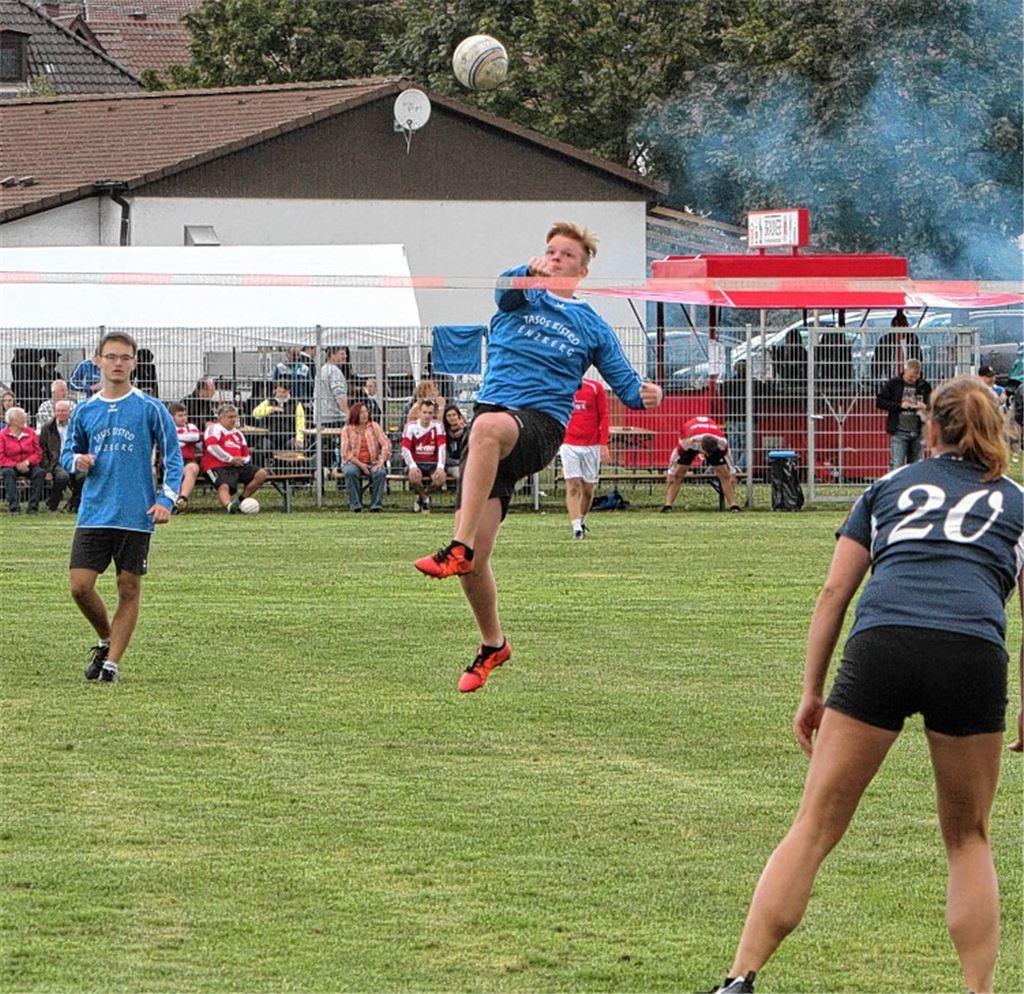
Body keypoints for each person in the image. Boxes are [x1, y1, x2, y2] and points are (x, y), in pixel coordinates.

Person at [702, 375, 1024, 994]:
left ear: (928, 430)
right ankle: (979, 991)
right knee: (968, 837)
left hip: (884, 642)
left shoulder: (884, 489)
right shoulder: (1015, 501)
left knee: (815, 824)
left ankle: (739, 978)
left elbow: (833, 594)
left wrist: (811, 690)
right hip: (972, 651)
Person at [413, 221, 662, 692]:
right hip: (492, 428)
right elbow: (505, 290)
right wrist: (528, 270)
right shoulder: (521, 293)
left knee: (484, 431)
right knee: (477, 561)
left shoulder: (592, 325)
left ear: (583, 270)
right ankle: (493, 645)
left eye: (566, 255)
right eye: (550, 251)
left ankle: (456, 545)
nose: (555, 259)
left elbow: (627, 387)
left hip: (538, 425)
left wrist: (647, 394)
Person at [61, 332, 183, 685]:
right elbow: (68, 454)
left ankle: (112, 665)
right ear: (98, 360)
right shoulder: (85, 409)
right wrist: (77, 461)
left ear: (133, 362)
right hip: (95, 512)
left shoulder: (150, 408)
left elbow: (174, 459)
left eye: (125, 357)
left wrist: (166, 499)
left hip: (136, 513)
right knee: (80, 586)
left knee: (128, 587)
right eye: (111, 356)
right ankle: (105, 638)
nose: (118, 363)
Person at [558, 376, 609, 540]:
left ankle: (581, 519)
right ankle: (576, 528)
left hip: (591, 445)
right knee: (573, 485)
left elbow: (604, 416)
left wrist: (603, 443)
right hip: (568, 443)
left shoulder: (595, 388)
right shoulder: (561, 386)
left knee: (588, 490)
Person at [661, 415, 740, 513]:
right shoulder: (689, 442)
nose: (706, 456)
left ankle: (734, 505)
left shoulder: (721, 442)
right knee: (678, 474)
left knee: (724, 474)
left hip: (708, 436)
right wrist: (670, 473)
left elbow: (728, 455)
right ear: (701, 448)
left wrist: (732, 473)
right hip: (691, 435)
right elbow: (675, 455)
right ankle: (667, 505)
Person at [201, 404, 269, 513]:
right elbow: (212, 447)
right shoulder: (214, 429)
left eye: (235, 417)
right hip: (216, 466)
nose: (234, 420)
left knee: (261, 474)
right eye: (230, 417)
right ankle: (229, 507)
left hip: (237, 465)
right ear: (221, 418)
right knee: (224, 485)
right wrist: (230, 459)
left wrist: (242, 460)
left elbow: (246, 454)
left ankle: (239, 501)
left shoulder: (238, 434)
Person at [876, 358, 932, 469]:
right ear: (905, 370)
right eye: (911, 377)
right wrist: (899, 405)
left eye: (916, 377)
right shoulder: (893, 384)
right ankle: (895, 486)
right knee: (897, 464)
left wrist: (926, 407)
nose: (913, 379)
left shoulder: (924, 386)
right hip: (899, 431)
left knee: (917, 466)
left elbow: (934, 405)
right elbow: (880, 402)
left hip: (918, 431)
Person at [339, 401, 391, 512]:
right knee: (351, 472)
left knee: (380, 473)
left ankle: (376, 505)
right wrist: (361, 465)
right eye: (361, 412)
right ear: (355, 414)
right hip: (353, 462)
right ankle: (356, 505)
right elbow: (345, 453)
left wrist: (381, 461)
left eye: (366, 412)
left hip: (373, 461)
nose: (364, 415)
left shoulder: (374, 427)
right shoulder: (347, 429)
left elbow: (386, 444)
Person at [401, 398, 447, 513]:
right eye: (424, 412)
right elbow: (405, 448)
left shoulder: (438, 426)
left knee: (440, 479)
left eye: (430, 413)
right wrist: (412, 466)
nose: (427, 416)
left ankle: (423, 496)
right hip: (417, 462)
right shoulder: (410, 426)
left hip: (432, 463)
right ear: (419, 412)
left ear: (434, 413)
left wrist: (440, 467)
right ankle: (425, 499)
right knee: (414, 477)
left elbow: (442, 447)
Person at [39, 400, 83, 512]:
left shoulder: (77, 426)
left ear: (69, 412)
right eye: (58, 411)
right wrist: (47, 469)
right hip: (57, 462)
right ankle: (52, 505)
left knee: (83, 477)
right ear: (54, 412)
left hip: (74, 459)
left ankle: (73, 504)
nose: (60, 413)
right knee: (62, 477)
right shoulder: (47, 428)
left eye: (63, 411)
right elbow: (42, 451)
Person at [0, 406, 46, 513]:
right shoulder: (2, 435)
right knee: (8, 473)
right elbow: (1, 456)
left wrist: (27, 462)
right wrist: (16, 465)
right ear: (12, 421)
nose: (24, 419)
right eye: (21, 417)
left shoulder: (30, 433)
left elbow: (38, 452)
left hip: (28, 465)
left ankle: (33, 507)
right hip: (10, 466)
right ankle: (14, 507)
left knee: (39, 472)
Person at [250, 382, 306, 458]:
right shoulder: (269, 401)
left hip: (289, 437)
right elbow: (255, 413)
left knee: (298, 447)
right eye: (279, 391)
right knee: (262, 447)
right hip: (271, 437)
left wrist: (299, 439)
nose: (281, 394)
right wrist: (271, 409)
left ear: (288, 391)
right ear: (275, 390)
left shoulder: (296, 404)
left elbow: (300, 423)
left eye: (283, 392)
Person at [167, 402, 202, 513]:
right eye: (180, 416)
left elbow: (195, 436)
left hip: (187, 460)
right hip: (170, 460)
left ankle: (182, 499)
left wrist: (177, 438)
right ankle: (172, 503)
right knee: (174, 472)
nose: (183, 418)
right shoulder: (166, 427)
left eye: (185, 415)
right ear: (171, 417)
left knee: (193, 468)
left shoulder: (191, 427)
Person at [442, 404, 469, 488]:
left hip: (466, 462)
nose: (452, 418)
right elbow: (446, 457)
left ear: (459, 416)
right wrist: (458, 462)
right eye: (448, 416)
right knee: (459, 473)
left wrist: (465, 429)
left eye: (454, 415)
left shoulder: (467, 431)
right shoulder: (444, 433)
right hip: (452, 465)